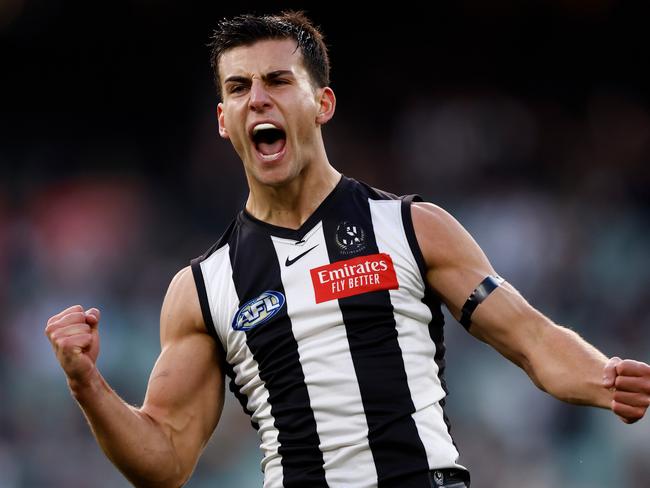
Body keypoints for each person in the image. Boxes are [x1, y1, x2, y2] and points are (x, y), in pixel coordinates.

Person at [45, 11, 650, 488]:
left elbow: (533, 338)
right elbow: (166, 460)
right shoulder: (203, 288)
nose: (258, 98)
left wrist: (602, 376)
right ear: (224, 120)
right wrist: (86, 384)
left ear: (322, 103)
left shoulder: (414, 227)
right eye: (239, 87)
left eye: (279, 80)